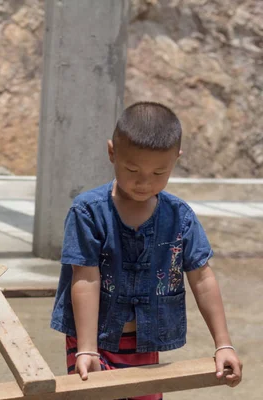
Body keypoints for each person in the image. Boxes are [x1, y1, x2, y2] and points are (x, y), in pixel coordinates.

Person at [50, 102, 242, 399]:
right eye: (132, 169)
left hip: (145, 342)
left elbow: (202, 278)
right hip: (92, 337)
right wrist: (86, 349)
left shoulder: (180, 216)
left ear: (175, 161)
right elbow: (86, 278)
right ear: (112, 152)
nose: (143, 182)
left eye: (158, 172)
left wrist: (223, 344)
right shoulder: (88, 212)